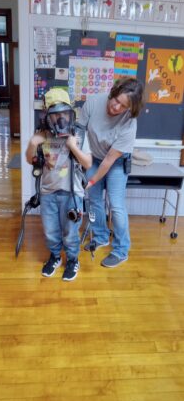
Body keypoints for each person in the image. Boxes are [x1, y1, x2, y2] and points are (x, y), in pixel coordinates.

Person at [26, 88, 92, 281]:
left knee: (71, 231)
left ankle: (72, 260)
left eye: (64, 113)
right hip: (48, 192)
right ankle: (55, 256)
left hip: (72, 193)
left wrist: (73, 146)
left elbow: (87, 163)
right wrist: (32, 143)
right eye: (56, 114)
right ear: (48, 115)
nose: (60, 118)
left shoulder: (78, 134)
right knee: (50, 230)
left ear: (70, 113)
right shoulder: (42, 135)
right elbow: (31, 160)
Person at [79, 77, 144, 268]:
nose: (116, 107)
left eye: (122, 106)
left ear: (129, 109)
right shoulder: (93, 102)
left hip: (115, 162)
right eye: (116, 100)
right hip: (94, 156)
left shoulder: (129, 124)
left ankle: (121, 250)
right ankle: (100, 237)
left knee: (116, 205)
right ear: (113, 92)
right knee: (94, 201)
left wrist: (90, 182)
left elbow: (109, 161)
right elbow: (79, 131)